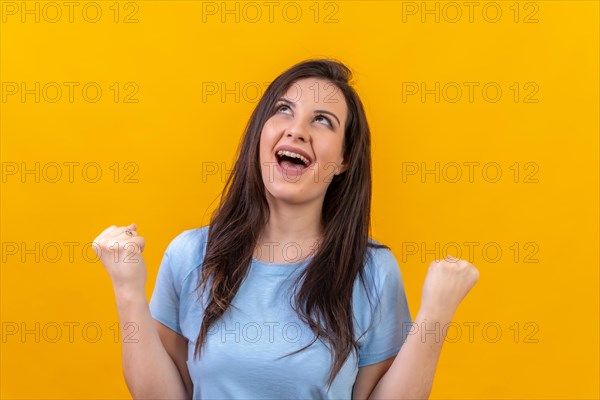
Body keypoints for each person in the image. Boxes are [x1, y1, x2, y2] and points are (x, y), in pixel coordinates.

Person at [93, 59, 480, 399]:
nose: (296, 131)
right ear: (260, 134)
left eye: (322, 120)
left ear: (344, 159)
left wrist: (436, 314)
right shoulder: (191, 255)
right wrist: (127, 289)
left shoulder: (371, 271)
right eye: (283, 110)